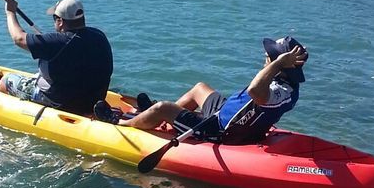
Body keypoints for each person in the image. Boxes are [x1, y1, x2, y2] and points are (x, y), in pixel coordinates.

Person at [95, 36, 308, 145]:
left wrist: (277, 64)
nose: (265, 58)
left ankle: (121, 123)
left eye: (270, 56)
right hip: (224, 112)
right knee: (199, 88)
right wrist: (278, 65)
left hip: (218, 130)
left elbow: (255, 91)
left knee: (163, 107)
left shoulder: (282, 90)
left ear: (282, 65)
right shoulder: (280, 81)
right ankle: (154, 118)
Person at [0, 0, 113, 116]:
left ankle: (5, 115)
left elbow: (19, 38)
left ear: (60, 21)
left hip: (61, 102)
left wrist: (10, 12)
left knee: (6, 81)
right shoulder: (99, 36)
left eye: (54, 18)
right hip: (91, 102)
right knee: (39, 76)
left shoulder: (58, 42)